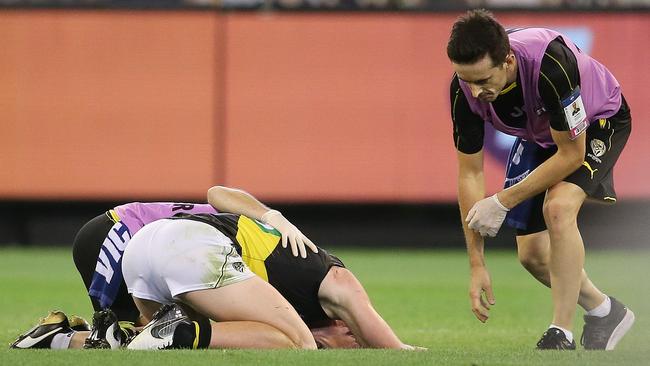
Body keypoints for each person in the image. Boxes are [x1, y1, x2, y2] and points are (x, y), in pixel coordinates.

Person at [11, 186, 417, 350]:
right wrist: (273, 214)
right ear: (346, 325)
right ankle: (181, 334)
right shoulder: (320, 270)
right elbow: (217, 192)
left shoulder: (271, 276)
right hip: (144, 234)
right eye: (355, 341)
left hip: (145, 248)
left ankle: (59, 339)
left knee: (133, 340)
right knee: (298, 344)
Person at [446, 9, 634, 350]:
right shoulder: (463, 91)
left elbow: (572, 155)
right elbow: (470, 172)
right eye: (467, 80)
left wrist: (502, 200)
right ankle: (604, 310)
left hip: (597, 121)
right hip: (542, 134)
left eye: (483, 80)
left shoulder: (551, 66)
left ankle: (561, 332)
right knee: (533, 255)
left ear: (507, 61)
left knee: (559, 208)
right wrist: (477, 265)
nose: (475, 92)